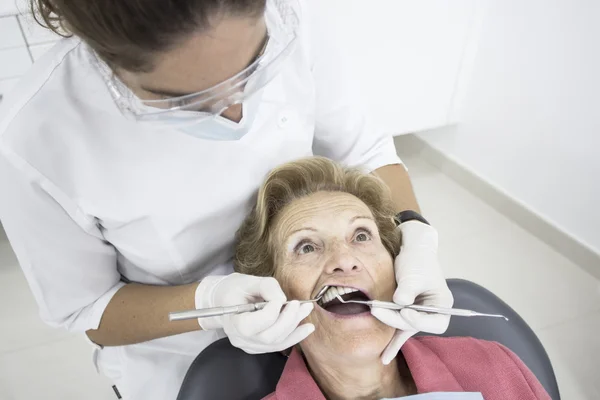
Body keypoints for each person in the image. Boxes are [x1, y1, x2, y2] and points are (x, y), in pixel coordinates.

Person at [0, 0, 452, 399]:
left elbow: (366, 152)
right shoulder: (36, 138)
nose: (235, 111)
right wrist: (211, 303)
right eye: (187, 100)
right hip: (181, 358)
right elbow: (89, 307)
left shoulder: (292, 15)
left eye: (254, 68)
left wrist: (414, 233)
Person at [234, 156, 551, 400]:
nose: (344, 260)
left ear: (398, 267)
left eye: (360, 235)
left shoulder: (495, 368)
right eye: (306, 246)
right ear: (268, 295)